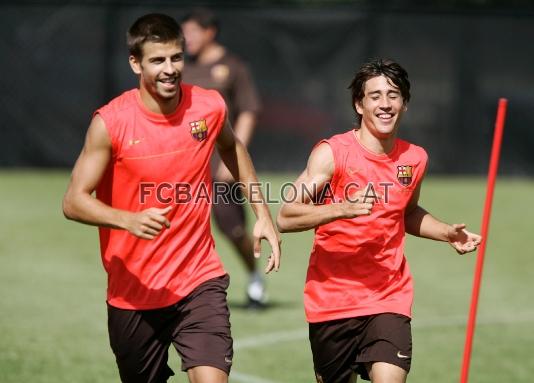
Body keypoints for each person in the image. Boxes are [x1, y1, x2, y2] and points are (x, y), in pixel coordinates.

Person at [62, 13, 280, 383]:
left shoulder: (208, 106)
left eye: (176, 58)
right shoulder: (111, 123)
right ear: (136, 63)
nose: (170, 69)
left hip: (198, 279)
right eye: (158, 60)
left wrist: (261, 213)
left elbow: (233, 148)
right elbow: (73, 201)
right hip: (134, 293)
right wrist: (127, 219)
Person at [276, 59, 481, 383]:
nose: (385, 104)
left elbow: (407, 212)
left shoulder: (414, 158)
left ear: (405, 103)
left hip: (389, 293)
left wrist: (446, 232)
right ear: (359, 104)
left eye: (393, 95)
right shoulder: (332, 153)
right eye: (375, 96)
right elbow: (286, 216)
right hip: (332, 299)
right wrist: (342, 208)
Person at [180, 8, 266, 308]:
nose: (186, 39)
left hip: (220, 161)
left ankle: (255, 277)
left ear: (209, 32)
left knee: (231, 227)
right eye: (184, 33)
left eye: (191, 32)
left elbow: (249, 111)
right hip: (186, 163)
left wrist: (235, 158)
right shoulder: (183, 70)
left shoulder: (233, 67)